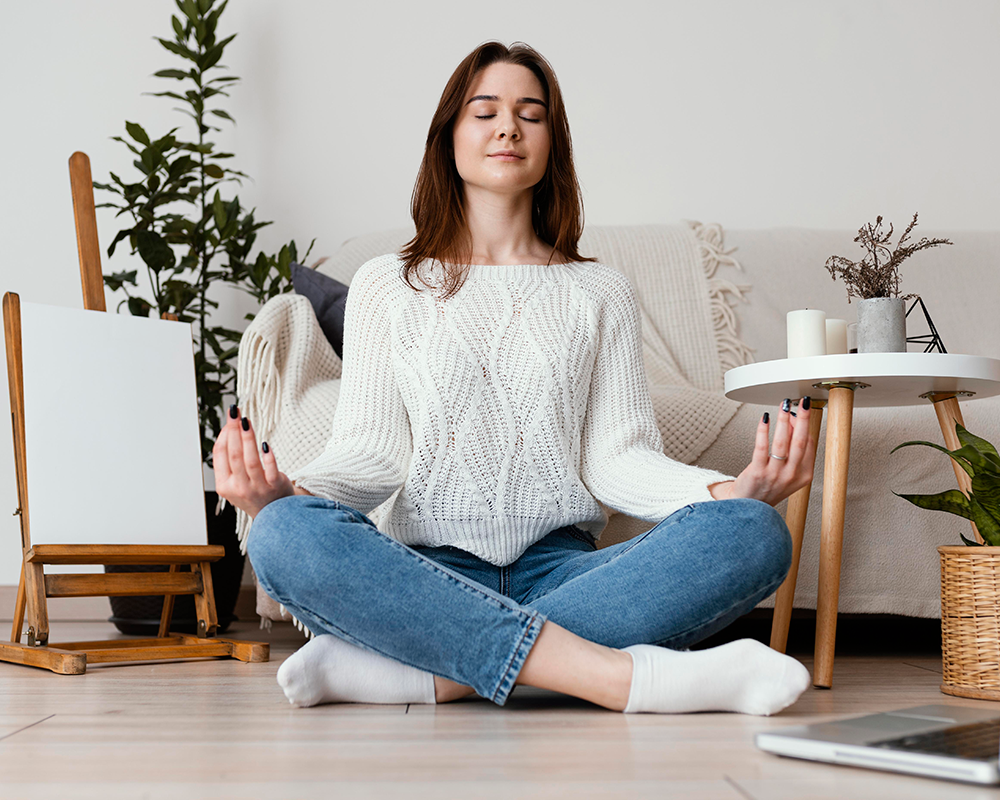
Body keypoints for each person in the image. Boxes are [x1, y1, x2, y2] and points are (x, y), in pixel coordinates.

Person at [214, 41, 815, 715]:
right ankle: (622, 679)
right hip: (424, 574)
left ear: (551, 143)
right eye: (485, 112)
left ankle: (422, 674)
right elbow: (373, 453)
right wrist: (291, 492)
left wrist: (726, 490)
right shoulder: (389, 284)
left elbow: (617, 460)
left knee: (754, 531)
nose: (508, 127)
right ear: (449, 137)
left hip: (567, 571)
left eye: (531, 113)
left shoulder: (600, 291)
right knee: (281, 536)